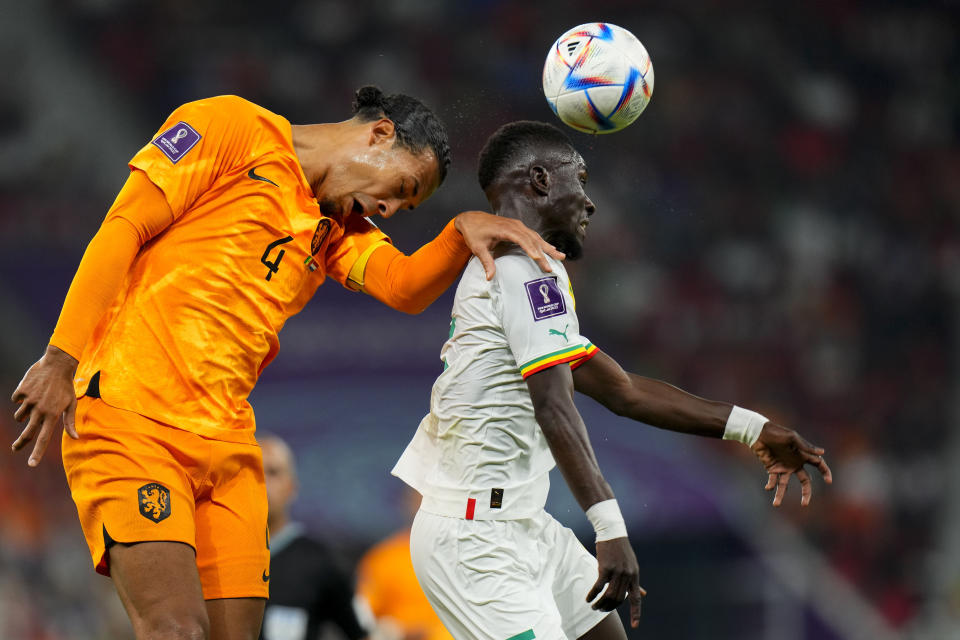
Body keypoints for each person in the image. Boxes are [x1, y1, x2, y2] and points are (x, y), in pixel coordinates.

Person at [9, 88, 562, 640]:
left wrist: (461, 230)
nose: (390, 209)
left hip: (227, 445)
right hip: (131, 420)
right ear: (380, 134)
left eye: (405, 208)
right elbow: (124, 227)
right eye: (401, 188)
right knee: (176, 629)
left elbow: (404, 287)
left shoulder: (334, 226)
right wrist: (61, 359)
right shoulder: (230, 128)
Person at [391, 121, 834, 640]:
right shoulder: (517, 268)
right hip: (474, 540)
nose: (590, 202)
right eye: (579, 178)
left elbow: (623, 390)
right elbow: (554, 407)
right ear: (538, 180)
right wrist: (610, 530)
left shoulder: (534, 268)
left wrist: (753, 429)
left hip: (522, 522)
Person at [259, 433, 367, 640]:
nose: (262, 481)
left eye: (272, 472)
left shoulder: (322, 562)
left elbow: (360, 632)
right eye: (251, 471)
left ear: (291, 487)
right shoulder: (211, 556)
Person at [355, 486, 451, 640]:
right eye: (421, 499)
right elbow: (362, 616)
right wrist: (395, 631)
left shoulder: (471, 556)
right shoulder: (385, 558)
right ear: (408, 503)